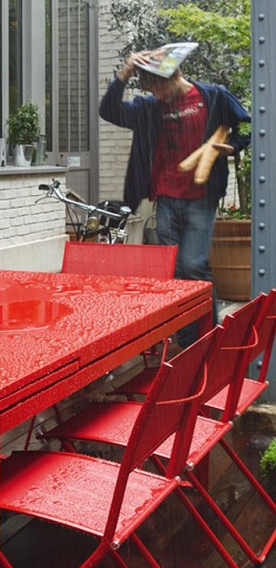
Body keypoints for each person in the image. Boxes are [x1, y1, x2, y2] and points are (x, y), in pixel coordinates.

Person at [99, 43, 250, 345]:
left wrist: (232, 147)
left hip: (201, 196)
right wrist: (125, 72)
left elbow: (246, 128)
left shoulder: (213, 96)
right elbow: (109, 111)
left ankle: (210, 336)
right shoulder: (150, 108)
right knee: (176, 270)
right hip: (165, 197)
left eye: (158, 87)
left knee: (194, 265)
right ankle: (188, 339)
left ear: (174, 76)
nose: (156, 94)